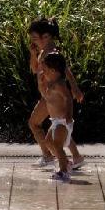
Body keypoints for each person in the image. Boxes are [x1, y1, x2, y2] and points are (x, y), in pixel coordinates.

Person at [27, 18, 86, 169]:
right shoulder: (42, 51)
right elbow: (34, 70)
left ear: (47, 36)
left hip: (52, 95)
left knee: (34, 123)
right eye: (33, 38)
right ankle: (76, 157)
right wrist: (33, 53)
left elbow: (66, 70)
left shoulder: (52, 51)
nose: (36, 41)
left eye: (37, 38)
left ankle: (49, 156)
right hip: (47, 94)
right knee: (59, 126)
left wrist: (75, 88)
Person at [39, 51, 74, 182]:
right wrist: (41, 84)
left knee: (57, 145)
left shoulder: (60, 84)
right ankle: (65, 161)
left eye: (45, 70)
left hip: (63, 121)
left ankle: (64, 171)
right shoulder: (51, 84)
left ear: (53, 71)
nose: (43, 72)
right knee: (48, 142)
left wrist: (69, 115)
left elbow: (69, 98)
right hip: (55, 121)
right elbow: (46, 97)